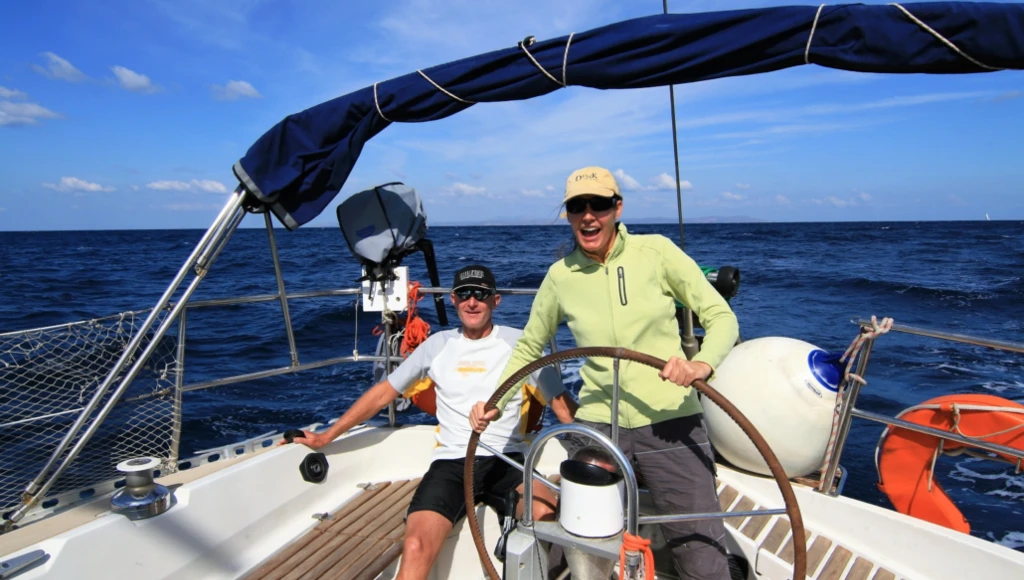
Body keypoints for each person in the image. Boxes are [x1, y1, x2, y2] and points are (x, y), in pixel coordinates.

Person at [470, 167, 739, 580]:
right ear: (569, 214)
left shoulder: (657, 252)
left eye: (598, 205)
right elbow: (529, 346)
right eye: (578, 206)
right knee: (575, 545)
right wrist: (494, 402)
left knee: (703, 561)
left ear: (618, 208)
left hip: (671, 417)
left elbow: (720, 316)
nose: (588, 215)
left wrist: (701, 364)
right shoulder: (561, 276)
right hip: (599, 424)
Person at [287, 264, 577, 580]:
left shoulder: (522, 344)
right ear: (453, 299)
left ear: (496, 301)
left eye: (481, 294)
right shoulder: (438, 345)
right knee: (415, 546)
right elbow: (384, 393)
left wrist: (598, 452)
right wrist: (326, 436)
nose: (472, 301)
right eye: (465, 294)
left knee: (546, 519)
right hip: (452, 463)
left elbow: (562, 406)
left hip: (509, 460)